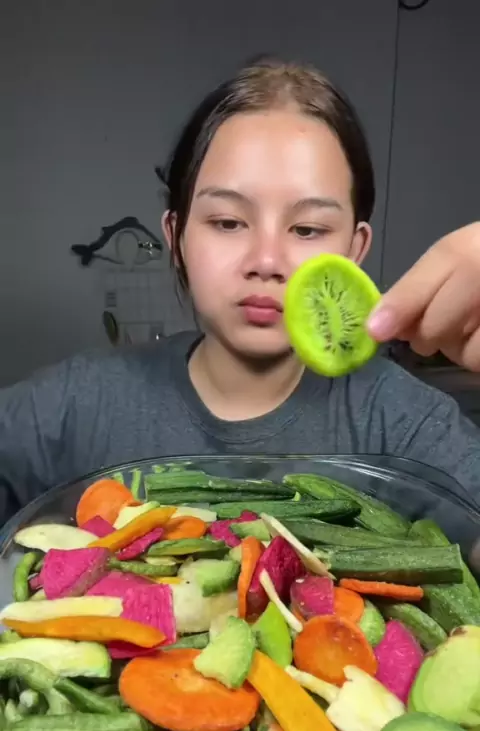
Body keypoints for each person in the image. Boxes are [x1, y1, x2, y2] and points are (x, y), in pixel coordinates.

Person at [2, 55, 480, 527]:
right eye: (228, 222)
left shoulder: (408, 424)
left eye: (308, 229)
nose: (266, 261)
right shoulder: (73, 405)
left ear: (354, 251)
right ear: (176, 237)